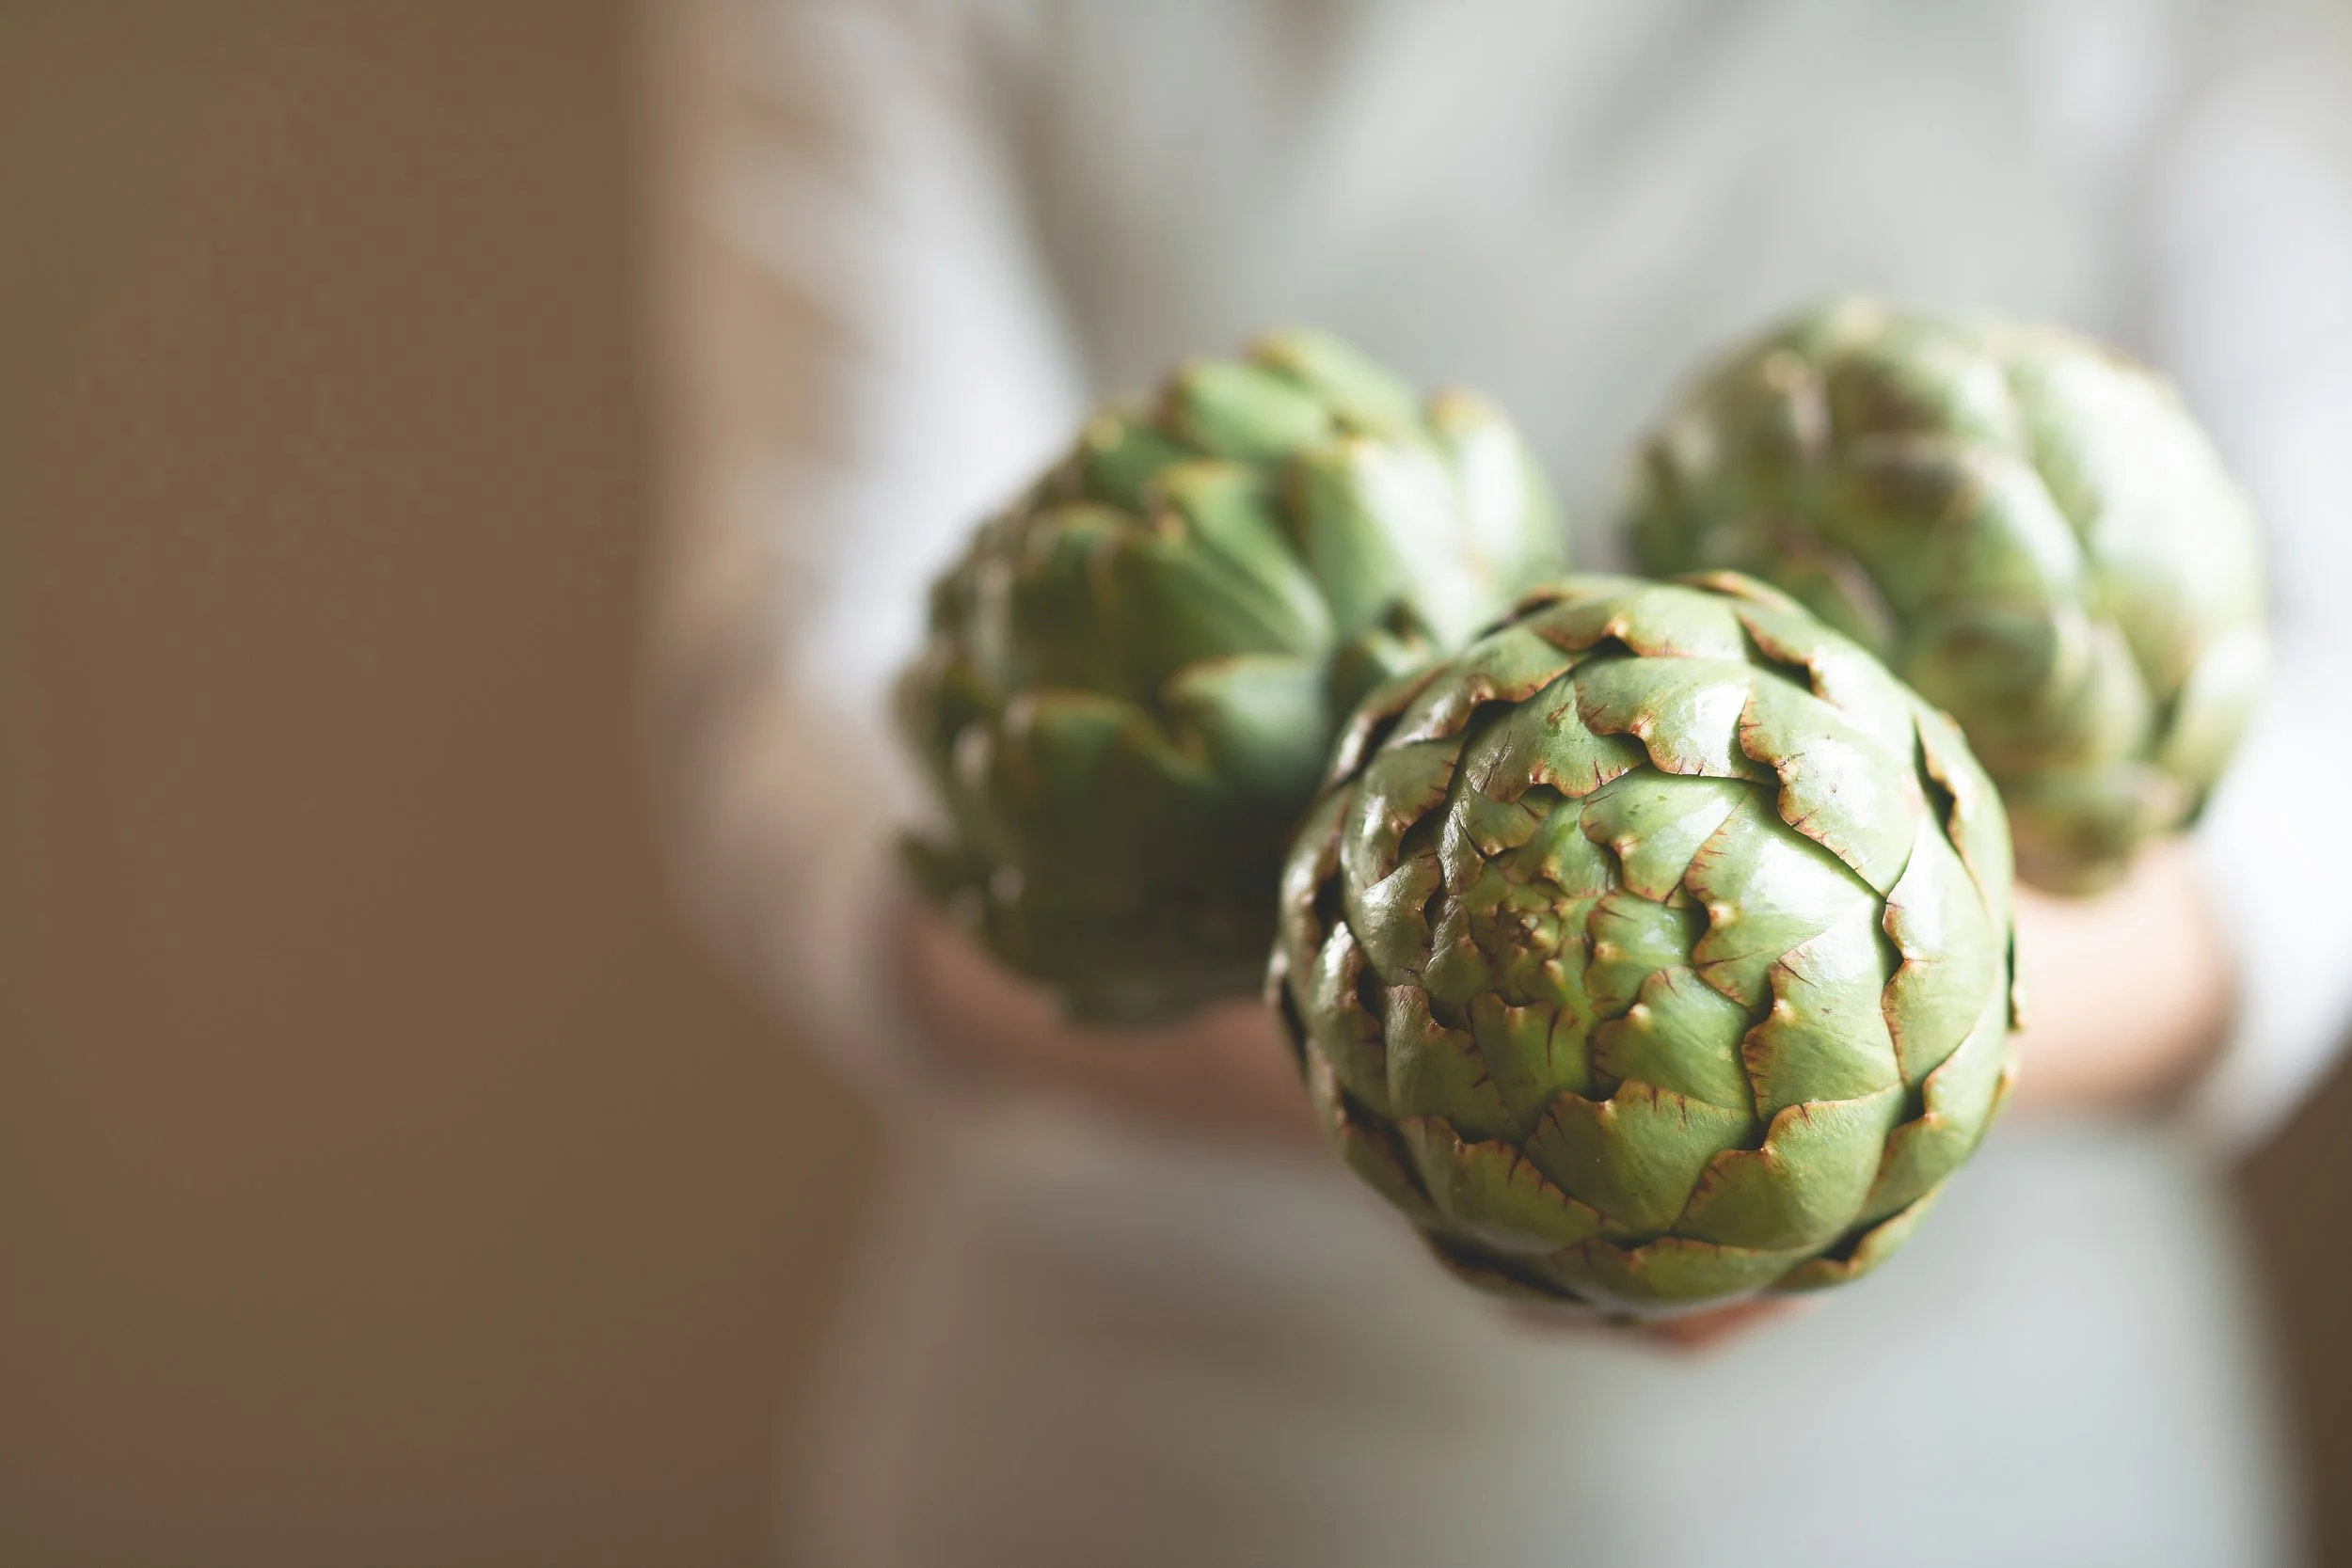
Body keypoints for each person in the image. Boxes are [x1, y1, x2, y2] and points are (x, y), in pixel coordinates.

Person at [642, 3, 2352, 1563]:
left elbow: (2326, 745)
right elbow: (815, 718)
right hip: (1149, 1445)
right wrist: (1435, 1074)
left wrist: (1868, 1058)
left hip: (1986, 1469)